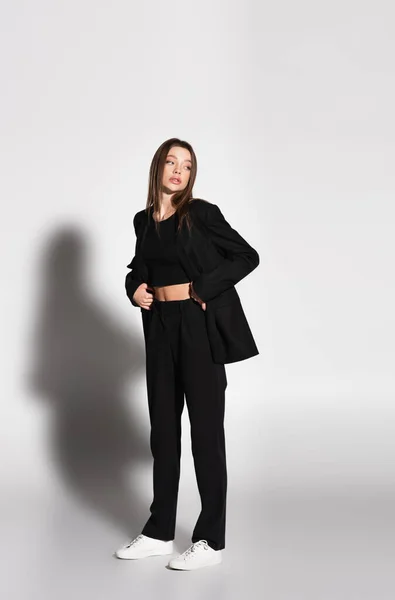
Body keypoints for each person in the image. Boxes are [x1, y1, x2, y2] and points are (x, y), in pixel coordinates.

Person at [115, 138, 259, 570]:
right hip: (159, 329)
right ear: (158, 166)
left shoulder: (199, 214)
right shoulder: (143, 221)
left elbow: (245, 256)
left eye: (188, 165)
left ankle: (210, 540)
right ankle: (159, 532)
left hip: (198, 328)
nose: (179, 170)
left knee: (205, 434)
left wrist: (202, 289)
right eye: (172, 162)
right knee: (163, 432)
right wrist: (134, 289)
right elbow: (138, 270)